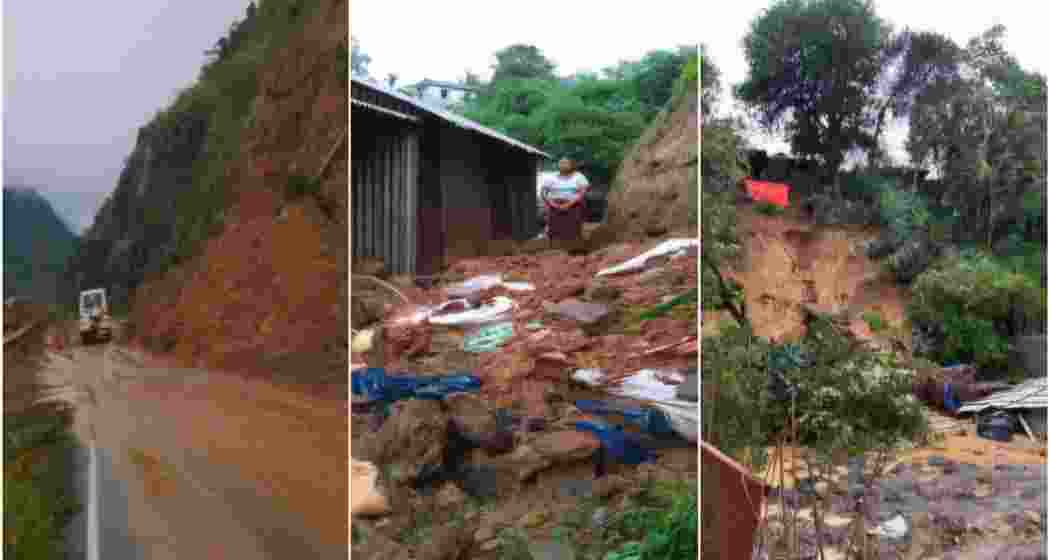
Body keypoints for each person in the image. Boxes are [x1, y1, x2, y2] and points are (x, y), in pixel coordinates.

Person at [541, 158, 590, 242]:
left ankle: (573, 246)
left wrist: (569, 204)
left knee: (573, 228)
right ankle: (554, 247)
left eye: (565, 163)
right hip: (554, 205)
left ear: (571, 165)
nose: (563, 165)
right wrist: (552, 204)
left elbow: (583, 193)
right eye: (561, 163)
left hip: (574, 205)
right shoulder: (551, 178)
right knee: (554, 228)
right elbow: (543, 192)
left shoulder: (579, 177)